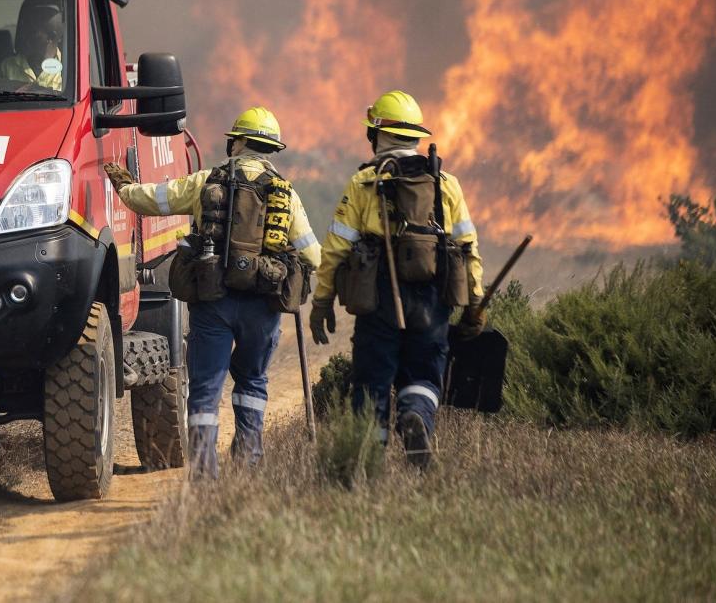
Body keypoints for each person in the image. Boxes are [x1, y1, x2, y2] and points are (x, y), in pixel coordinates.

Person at [104, 107, 321, 478]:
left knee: (205, 388)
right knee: (253, 382)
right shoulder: (285, 194)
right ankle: (248, 463)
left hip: (213, 303)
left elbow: (153, 200)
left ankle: (205, 472)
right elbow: (313, 255)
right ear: (270, 149)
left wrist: (124, 187)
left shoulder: (206, 182)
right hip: (261, 308)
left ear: (236, 142)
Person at [309, 90, 484, 469]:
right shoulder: (445, 182)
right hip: (433, 297)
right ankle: (417, 414)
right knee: (423, 371)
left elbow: (337, 247)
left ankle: (369, 464)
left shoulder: (365, 182)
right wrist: (474, 304)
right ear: (415, 135)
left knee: (372, 379)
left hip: (379, 296)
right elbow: (467, 247)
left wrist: (322, 301)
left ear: (376, 134)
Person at [0, 4, 64, 91]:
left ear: (51, 37)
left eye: (33, 32)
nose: (25, 37)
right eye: (25, 31)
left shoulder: (68, 70)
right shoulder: (7, 66)